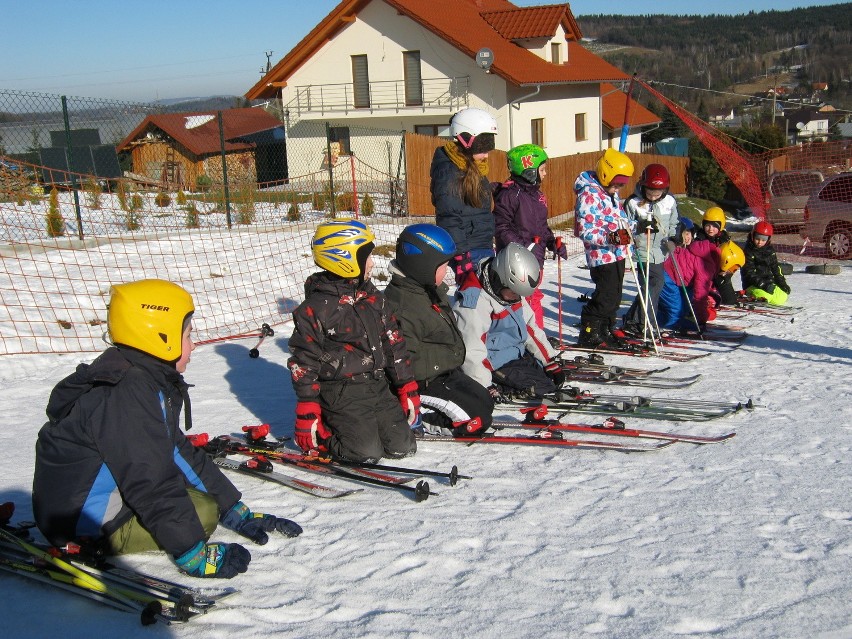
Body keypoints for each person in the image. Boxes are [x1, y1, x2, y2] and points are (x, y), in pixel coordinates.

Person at [32, 279, 302, 580]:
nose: (194, 343)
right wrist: (193, 554)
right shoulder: (127, 393)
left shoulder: (140, 377)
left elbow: (177, 450)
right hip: (80, 521)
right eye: (188, 334)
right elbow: (149, 479)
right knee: (201, 513)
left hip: (83, 497)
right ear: (160, 337)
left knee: (198, 498)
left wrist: (234, 510)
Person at [287, 219, 419, 463]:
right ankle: (327, 434)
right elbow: (303, 360)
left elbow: (393, 342)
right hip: (341, 391)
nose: (372, 263)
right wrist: (307, 407)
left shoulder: (372, 297)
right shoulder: (316, 309)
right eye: (366, 257)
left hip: (377, 384)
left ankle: (362, 430)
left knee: (403, 446)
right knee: (365, 453)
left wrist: (405, 384)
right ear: (344, 259)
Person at [384, 224, 493, 437]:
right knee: (474, 420)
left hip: (442, 373)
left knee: (485, 401)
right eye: (443, 265)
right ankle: (415, 418)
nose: (447, 271)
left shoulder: (428, 292)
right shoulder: (402, 306)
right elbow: (405, 362)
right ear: (422, 266)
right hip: (420, 383)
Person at [452, 243, 565, 400]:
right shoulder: (474, 303)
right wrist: (484, 384)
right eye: (514, 294)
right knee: (544, 390)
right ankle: (497, 386)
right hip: (492, 364)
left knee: (549, 379)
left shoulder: (510, 293)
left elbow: (529, 327)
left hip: (516, 355)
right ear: (499, 279)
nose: (517, 299)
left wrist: (548, 361)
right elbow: (471, 349)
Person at [493, 144, 567, 329]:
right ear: (529, 171)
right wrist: (521, 248)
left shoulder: (538, 196)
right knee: (523, 301)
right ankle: (527, 336)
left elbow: (541, 226)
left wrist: (551, 242)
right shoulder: (510, 195)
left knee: (533, 298)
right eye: (541, 169)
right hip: (518, 262)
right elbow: (501, 227)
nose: (545, 174)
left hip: (536, 258)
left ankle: (536, 336)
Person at [574, 148, 636, 349]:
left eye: (621, 185)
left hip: (616, 252)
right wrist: (611, 237)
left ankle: (607, 328)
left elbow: (618, 219)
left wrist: (633, 227)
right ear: (605, 175)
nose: (618, 189)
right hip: (601, 255)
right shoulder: (589, 195)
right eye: (617, 184)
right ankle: (590, 331)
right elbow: (584, 230)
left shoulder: (608, 193)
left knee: (615, 294)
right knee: (605, 295)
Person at [431, 107, 499, 285]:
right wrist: (461, 256)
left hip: (483, 245)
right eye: (483, 145)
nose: (486, 154)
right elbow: (449, 215)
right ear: (466, 139)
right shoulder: (449, 171)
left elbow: (475, 207)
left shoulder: (474, 168)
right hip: (468, 251)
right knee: (477, 303)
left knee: (492, 302)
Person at [621, 164, 680, 336]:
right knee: (655, 283)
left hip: (660, 252)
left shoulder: (670, 202)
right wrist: (639, 226)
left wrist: (674, 239)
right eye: (650, 191)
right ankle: (645, 322)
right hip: (642, 251)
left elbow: (675, 223)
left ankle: (633, 320)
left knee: (648, 287)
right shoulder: (633, 202)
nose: (654, 195)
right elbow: (624, 226)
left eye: (658, 192)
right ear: (643, 186)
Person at [657, 218, 715, 330]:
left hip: (680, 281)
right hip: (668, 278)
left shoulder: (698, 254)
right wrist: (701, 320)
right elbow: (700, 296)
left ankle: (654, 317)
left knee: (683, 309)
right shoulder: (703, 263)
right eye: (685, 234)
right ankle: (669, 325)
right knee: (676, 310)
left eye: (690, 234)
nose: (688, 237)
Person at [691, 206, 738, 305]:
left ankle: (719, 294)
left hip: (719, 274)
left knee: (730, 301)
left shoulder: (724, 240)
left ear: (721, 226)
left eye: (714, 226)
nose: (710, 229)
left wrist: (729, 270)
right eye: (707, 225)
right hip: (704, 274)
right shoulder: (700, 239)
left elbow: (734, 258)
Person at [741, 221, 791, 306]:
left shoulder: (770, 251)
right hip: (753, 285)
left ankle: (764, 297)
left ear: (768, 240)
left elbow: (775, 269)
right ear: (753, 236)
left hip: (768, 283)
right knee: (765, 296)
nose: (760, 242)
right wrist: (764, 284)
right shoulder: (748, 251)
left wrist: (782, 283)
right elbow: (749, 273)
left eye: (763, 240)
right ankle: (752, 296)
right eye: (757, 239)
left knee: (782, 297)